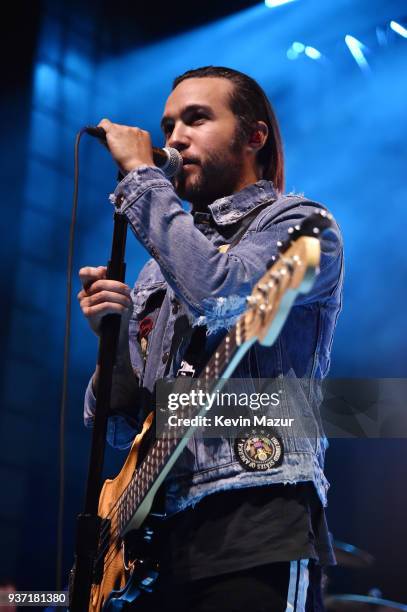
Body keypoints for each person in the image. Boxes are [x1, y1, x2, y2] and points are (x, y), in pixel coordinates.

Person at [78, 66, 343, 611]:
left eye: (196, 119)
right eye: (169, 124)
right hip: (157, 543)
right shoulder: (160, 271)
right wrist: (116, 332)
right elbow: (123, 420)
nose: (173, 139)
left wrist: (138, 178)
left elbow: (222, 292)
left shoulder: (307, 229)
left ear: (254, 136)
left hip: (256, 515)